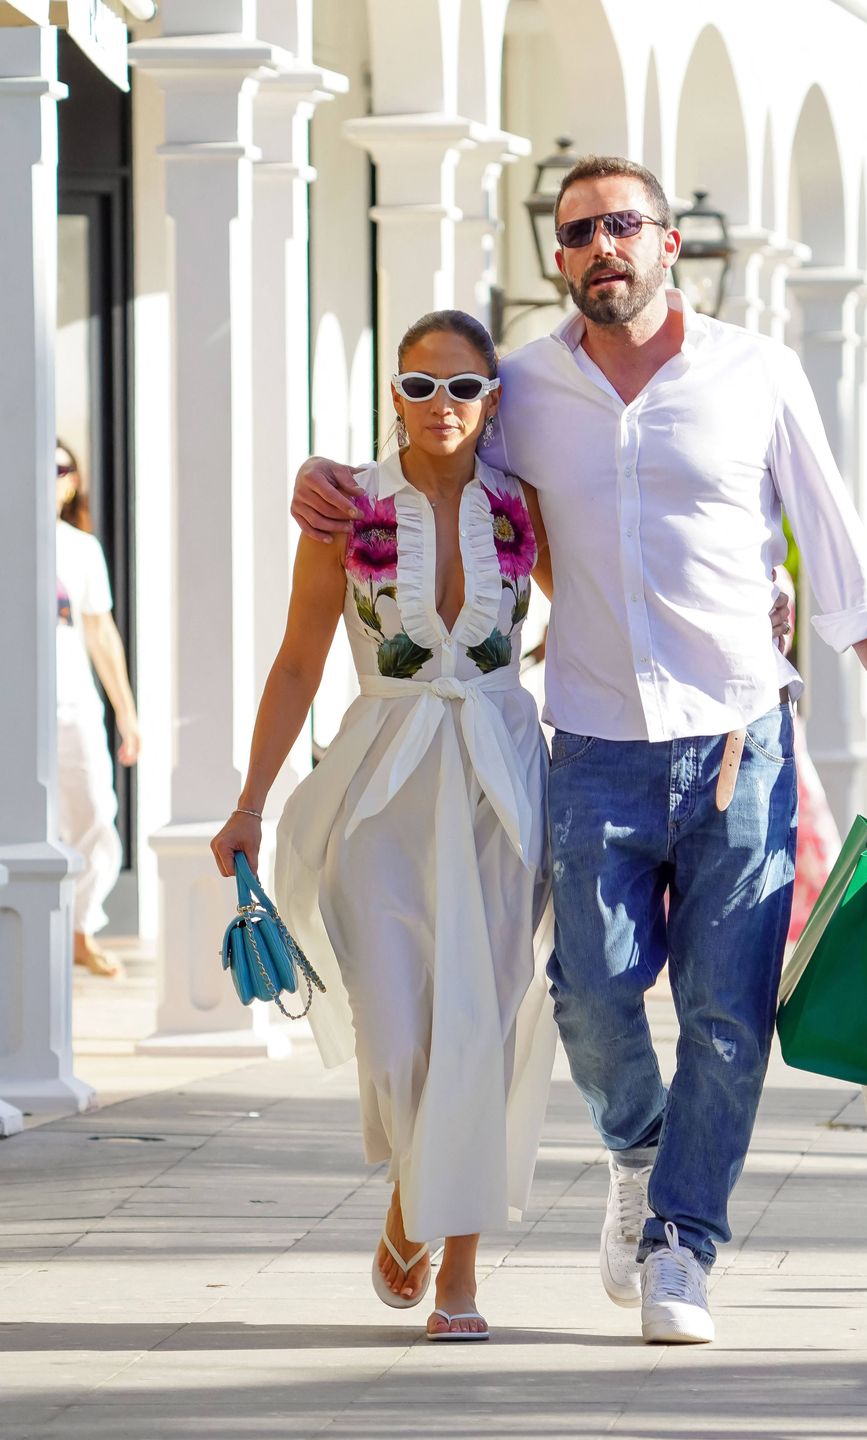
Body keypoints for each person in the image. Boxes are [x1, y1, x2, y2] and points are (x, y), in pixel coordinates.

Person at [290, 156, 867, 1346]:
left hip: (742, 736)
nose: (602, 247)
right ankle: (639, 1149)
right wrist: (324, 480)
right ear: (558, 257)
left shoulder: (759, 372)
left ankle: (681, 1246)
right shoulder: (528, 387)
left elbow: (838, 552)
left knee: (728, 1014)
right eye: (578, 230)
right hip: (590, 739)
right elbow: (444, 465)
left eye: (622, 225)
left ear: (670, 239)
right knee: (588, 994)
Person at [212, 311, 559, 1342]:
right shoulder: (345, 509)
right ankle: (413, 1189)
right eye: (418, 387)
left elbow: (609, 601)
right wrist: (247, 802)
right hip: (379, 787)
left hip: (501, 780)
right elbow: (295, 663)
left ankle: (457, 1269)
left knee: (484, 1024)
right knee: (398, 1028)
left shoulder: (526, 504)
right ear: (392, 397)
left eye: (461, 388)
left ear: (493, 399)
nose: (440, 407)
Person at [56, 443, 140, 978]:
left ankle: (79, 930)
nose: (48, 474)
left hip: (74, 707)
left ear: (72, 483)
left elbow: (101, 633)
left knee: (94, 816)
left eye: (60, 467)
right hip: (15, 716)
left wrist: (126, 715)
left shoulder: (82, 549)